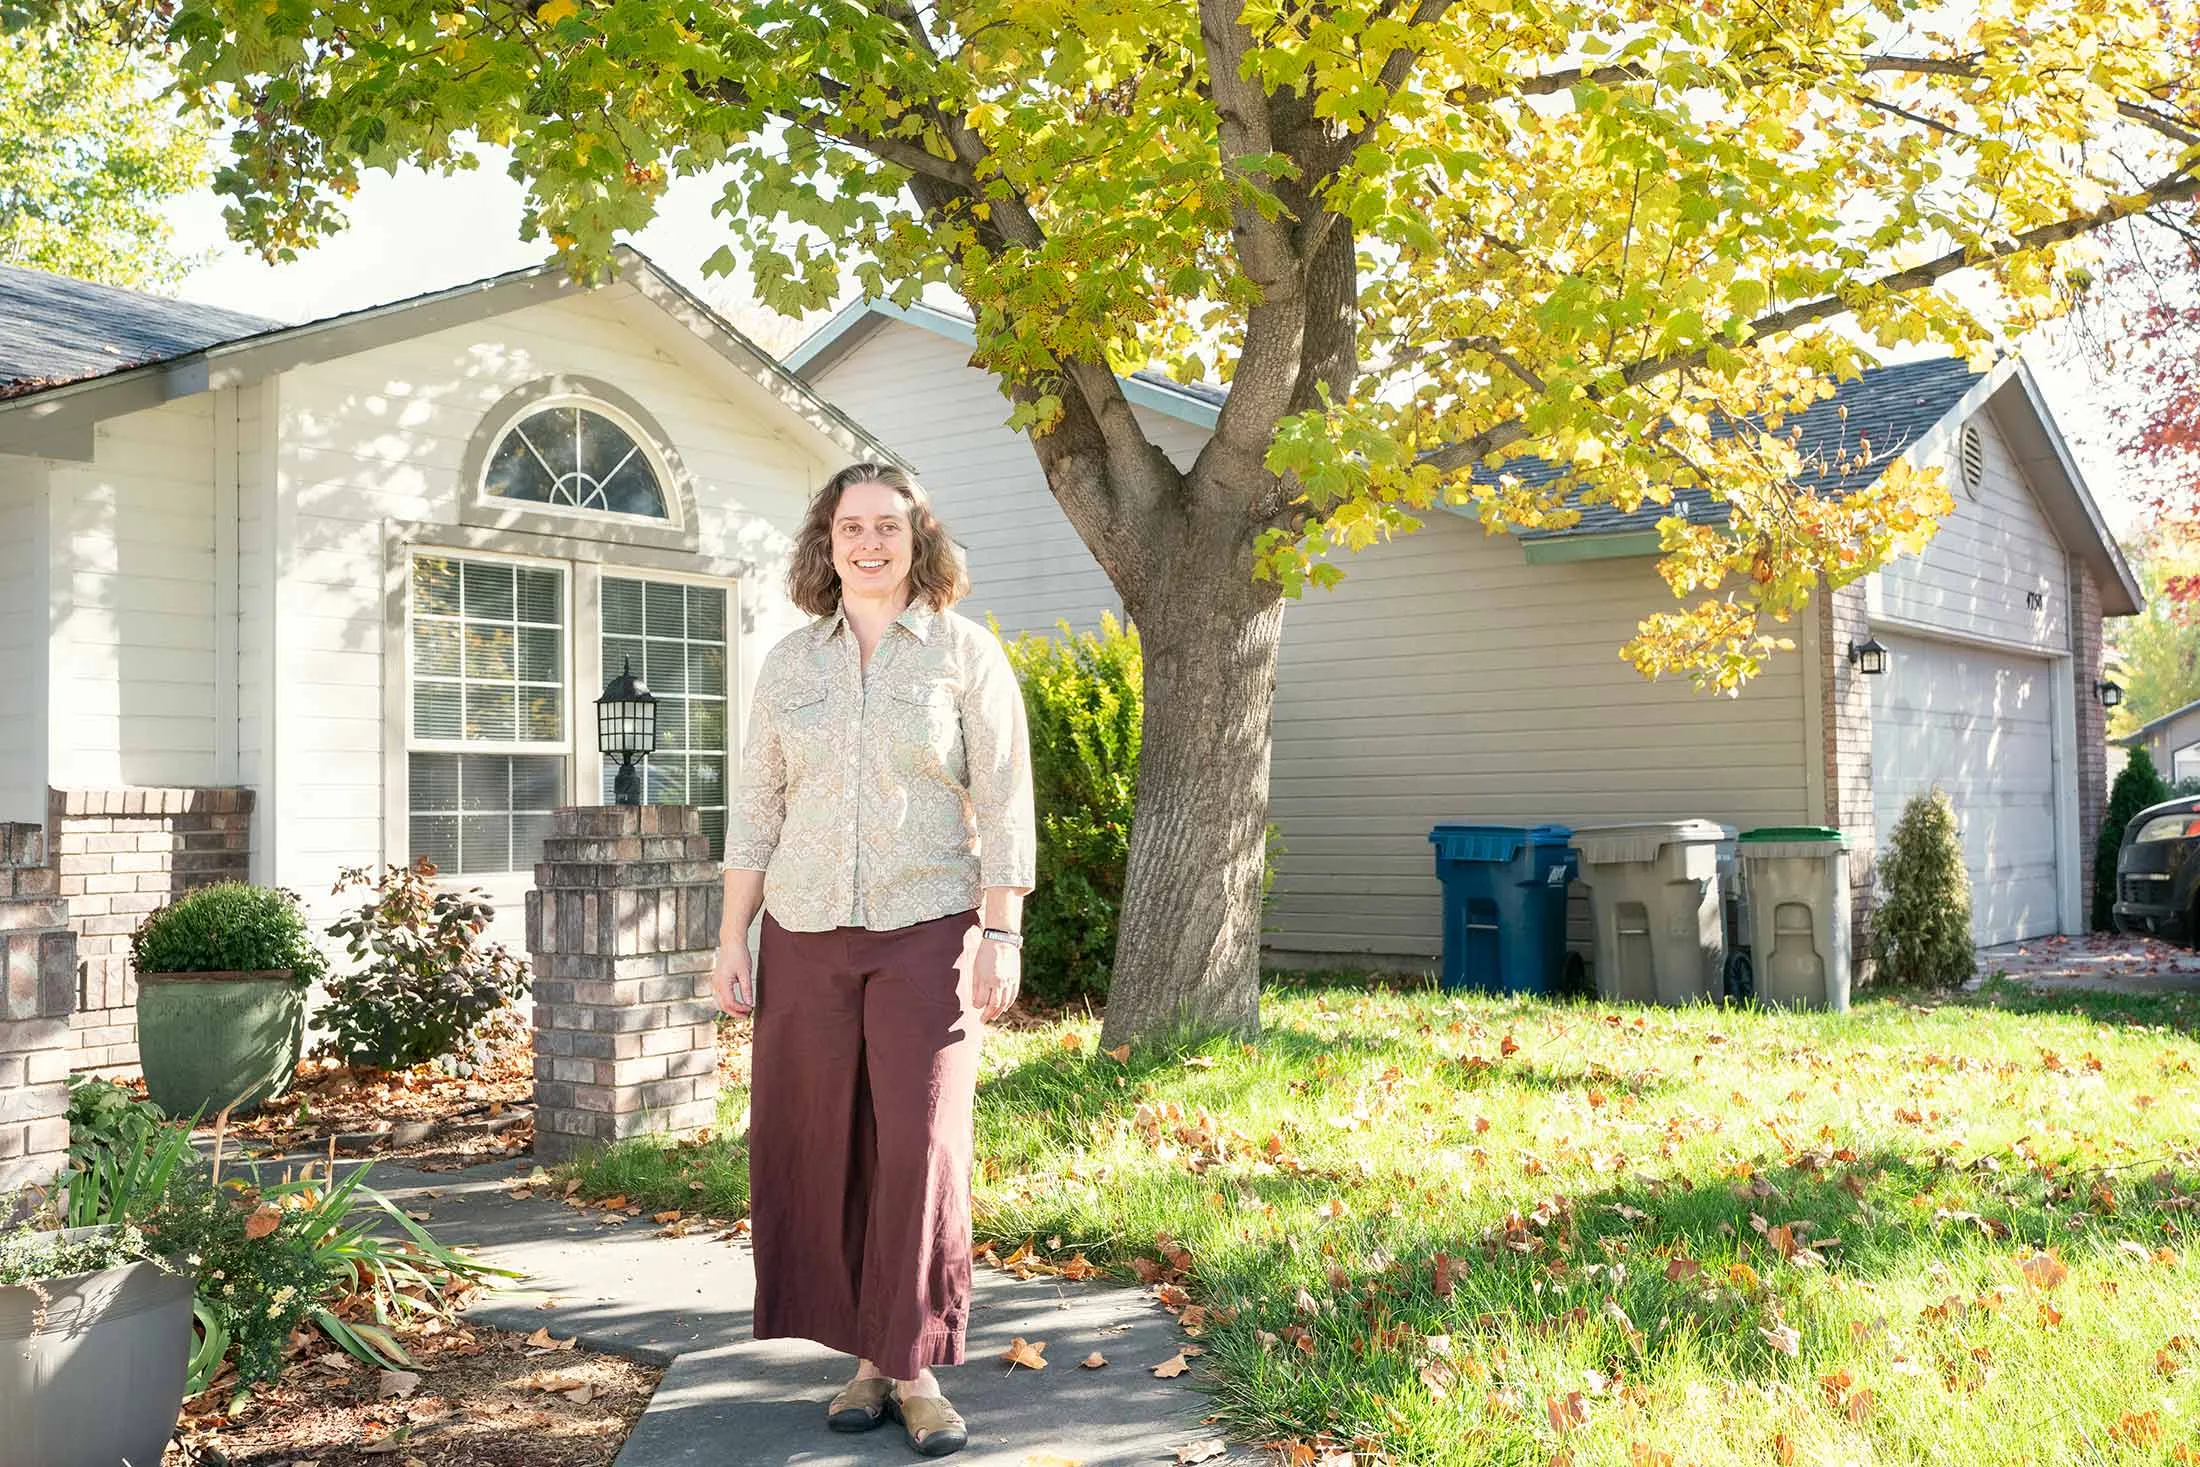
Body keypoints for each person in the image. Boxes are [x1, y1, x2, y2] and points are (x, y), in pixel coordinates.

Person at [711, 462, 1036, 1458]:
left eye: (887, 526)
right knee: (825, 1143)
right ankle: (867, 1359)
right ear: (827, 542)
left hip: (927, 930)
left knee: (921, 1146)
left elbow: (1005, 799)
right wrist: (732, 935)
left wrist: (1002, 931)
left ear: (918, 538)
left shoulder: (963, 653)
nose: (868, 543)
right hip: (804, 932)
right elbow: (757, 806)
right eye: (850, 527)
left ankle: (915, 1368)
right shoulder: (789, 663)